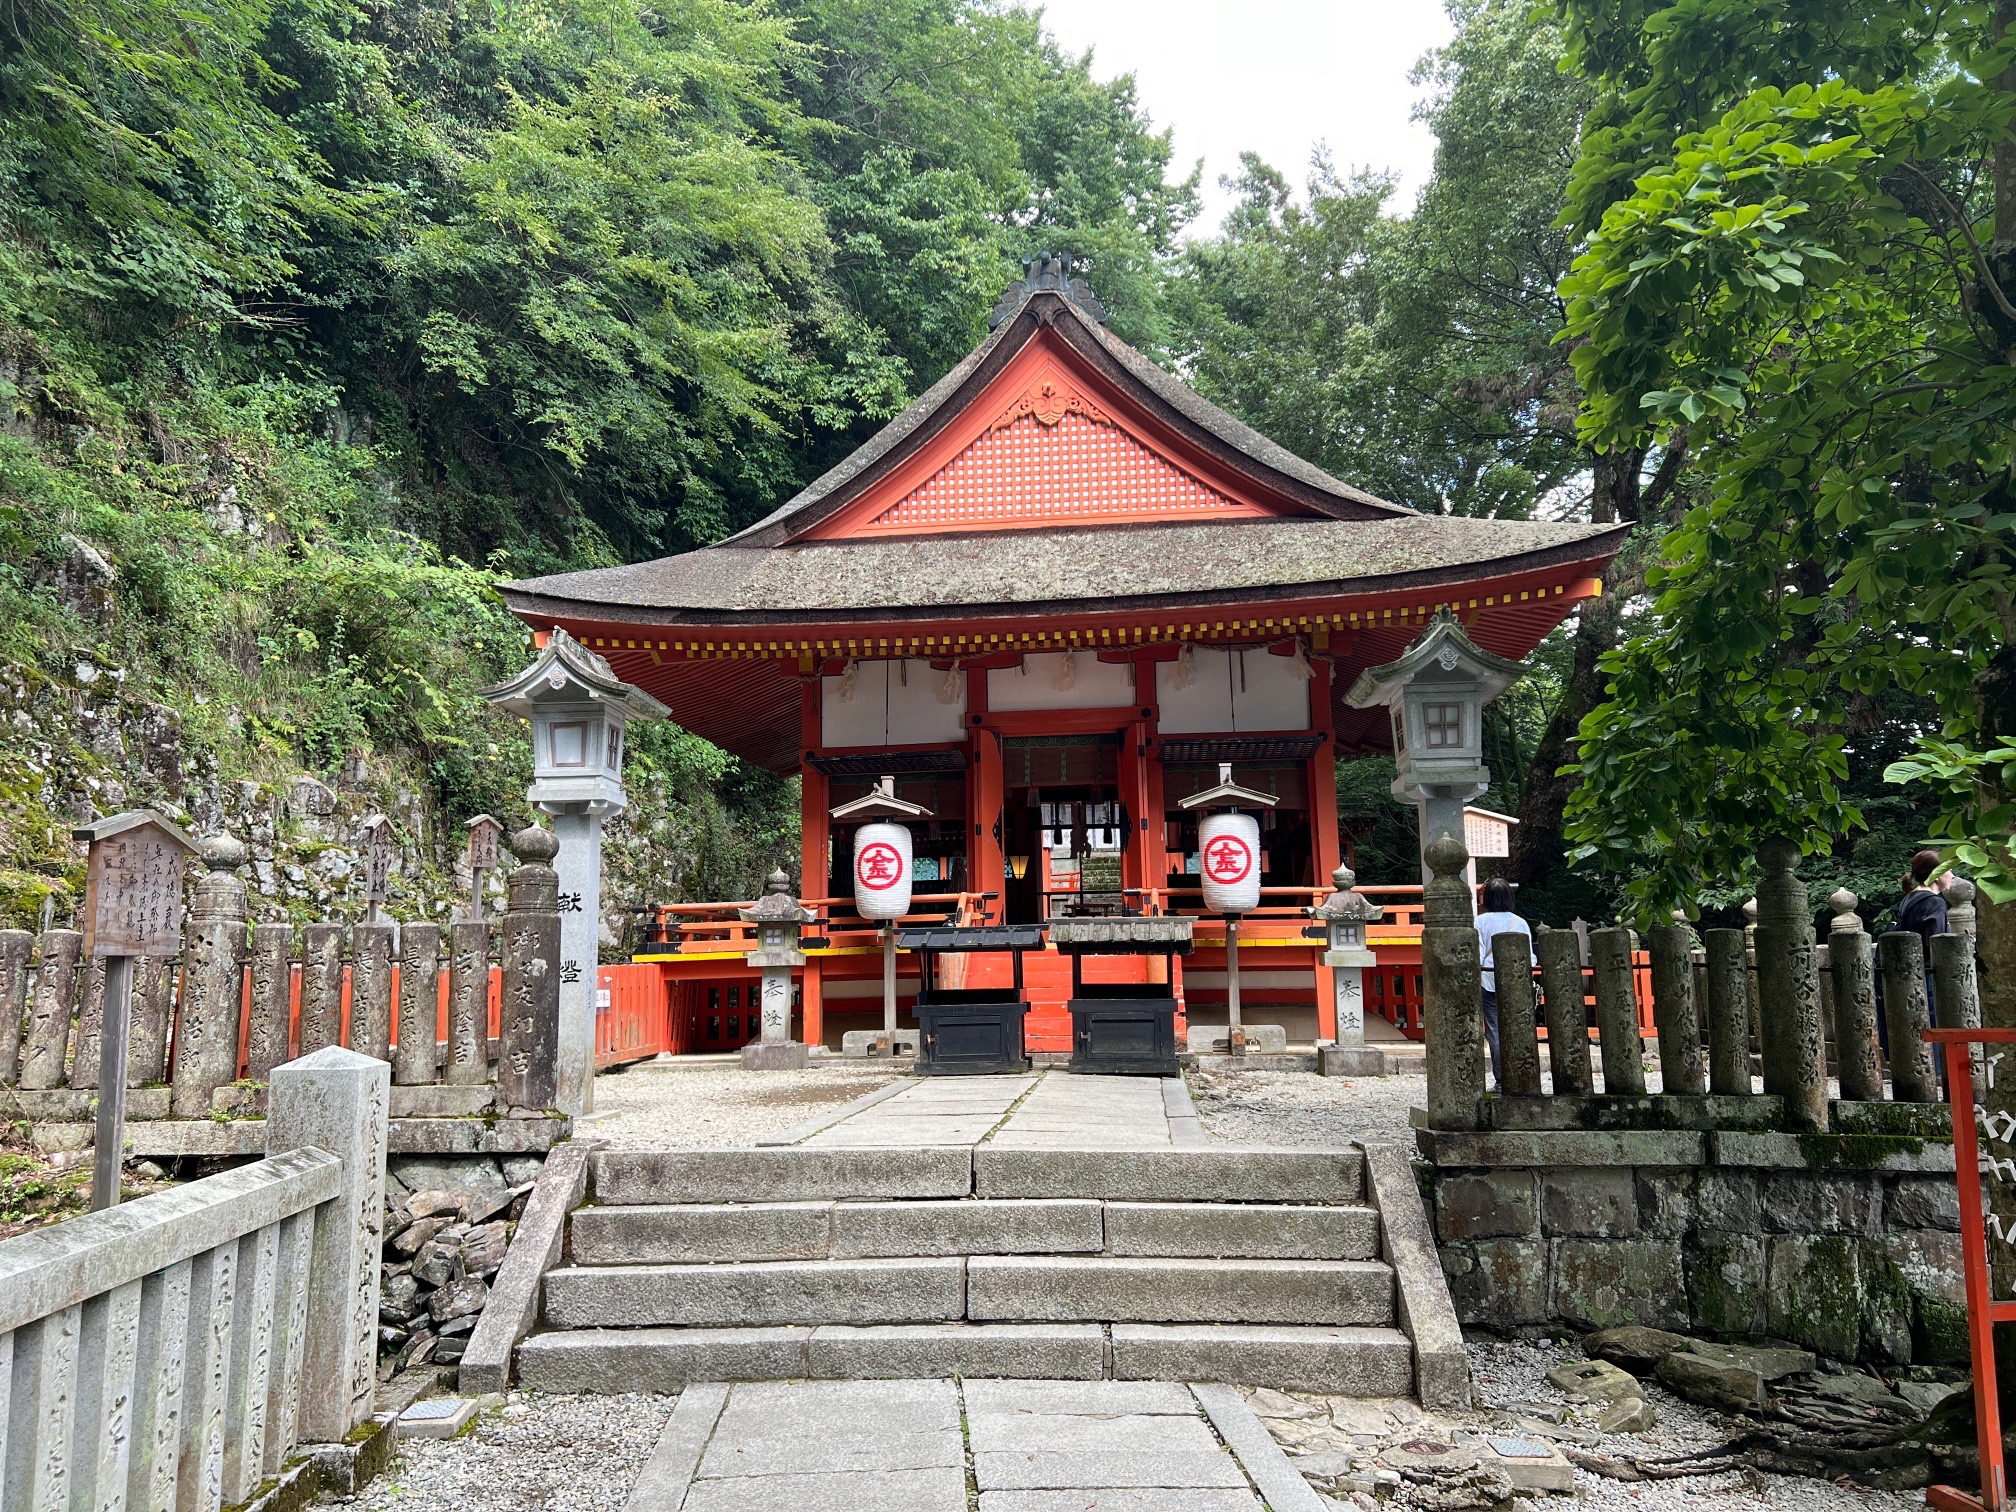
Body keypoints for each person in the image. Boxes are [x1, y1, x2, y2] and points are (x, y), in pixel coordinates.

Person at [1474, 877, 1532, 1090]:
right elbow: (1529, 956)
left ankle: (1501, 1078)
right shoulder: (1520, 922)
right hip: (1516, 980)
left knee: (1494, 1030)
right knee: (1517, 1026)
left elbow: (1478, 955)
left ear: (1487, 898)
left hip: (1489, 980)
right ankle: (1522, 1076)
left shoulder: (1480, 922)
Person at [1895, 849, 1950, 1022]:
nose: (1952, 875)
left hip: (1908, 976)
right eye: (1949, 870)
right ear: (1937, 874)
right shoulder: (1935, 903)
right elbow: (1936, 944)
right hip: (1928, 979)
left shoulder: (1908, 899)